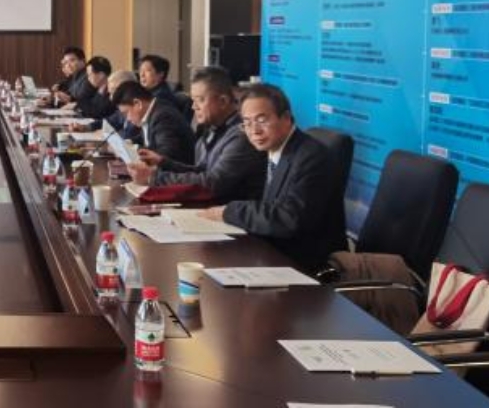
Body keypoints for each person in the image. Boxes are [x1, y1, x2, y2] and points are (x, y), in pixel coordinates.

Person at [200, 83, 348, 272]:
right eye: (247, 123)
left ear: (286, 118)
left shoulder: (311, 157)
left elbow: (289, 219)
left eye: (262, 120)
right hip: (275, 251)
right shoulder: (270, 150)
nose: (254, 131)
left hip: (308, 265)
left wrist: (229, 212)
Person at [127, 67, 265, 203]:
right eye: (193, 100)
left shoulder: (242, 135)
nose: (194, 107)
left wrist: (154, 178)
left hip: (228, 210)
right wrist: (163, 162)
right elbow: (202, 171)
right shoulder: (212, 128)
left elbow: (213, 182)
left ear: (223, 101)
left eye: (200, 100)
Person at [110, 81, 194, 166]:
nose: (127, 119)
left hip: (178, 172)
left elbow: (165, 155)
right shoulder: (152, 111)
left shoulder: (163, 116)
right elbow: (148, 137)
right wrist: (129, 142)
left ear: (138, 104)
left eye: (126, 113)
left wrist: (133, 149)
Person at [77, 56, 118, 122]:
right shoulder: (92, 86)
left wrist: (100, 94)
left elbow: (97, 113)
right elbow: (81, 102)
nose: (88, 78)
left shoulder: (114, 90)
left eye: (90, 75)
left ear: (101, 75)